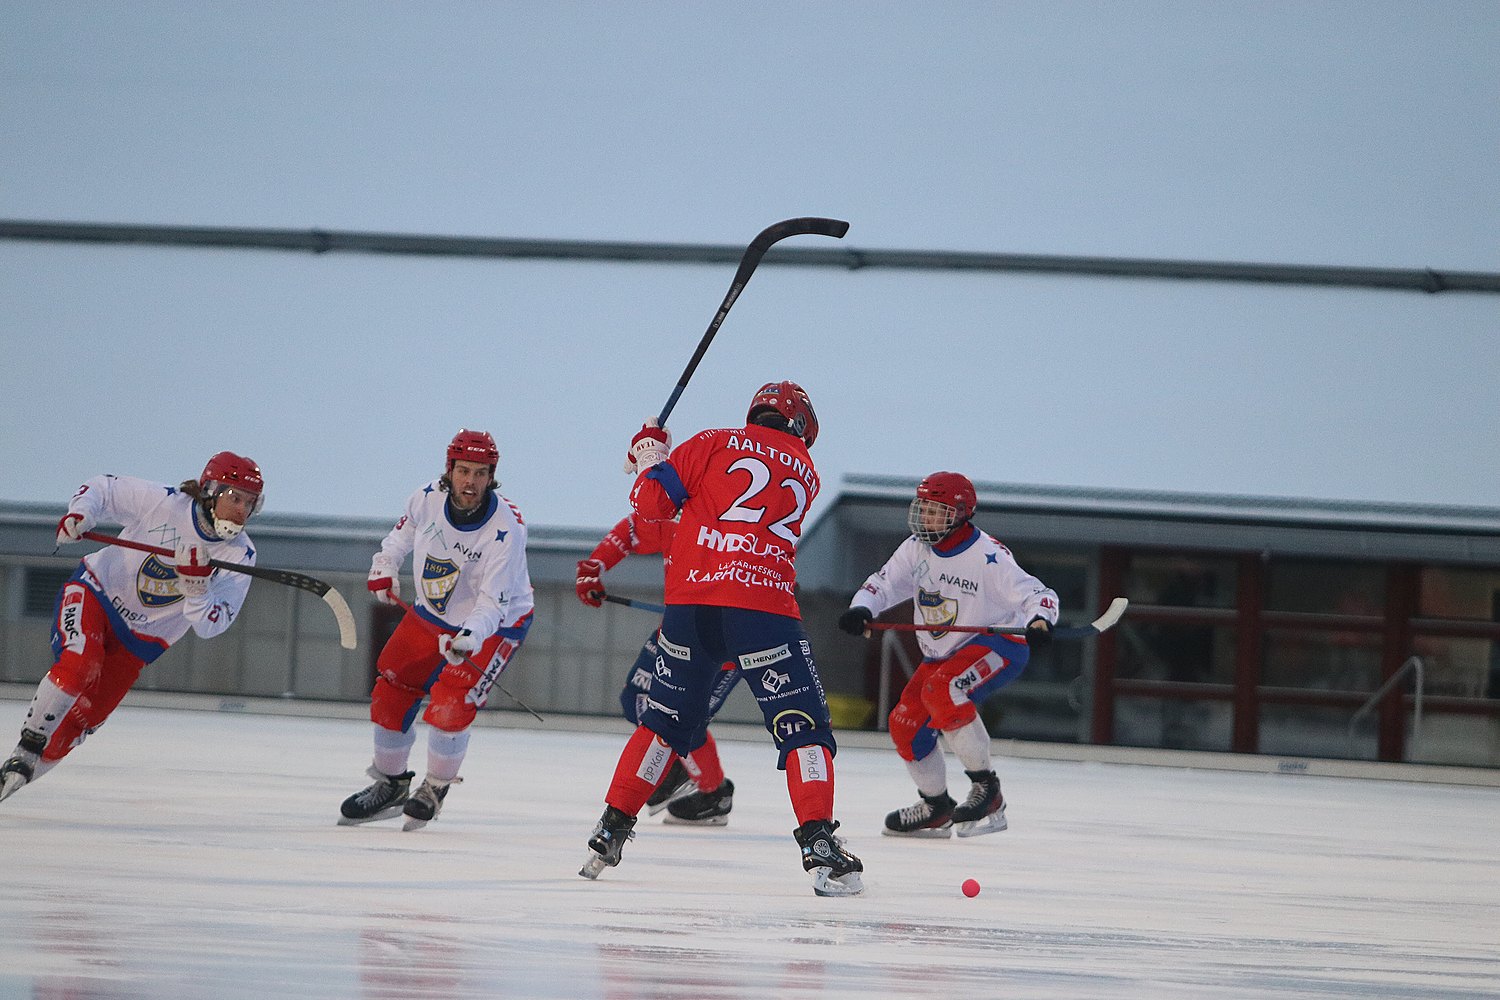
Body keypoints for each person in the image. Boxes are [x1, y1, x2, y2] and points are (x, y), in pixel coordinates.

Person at [579, 381, 864, 897]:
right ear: (801, 427)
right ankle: (819, 843)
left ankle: (612, 826)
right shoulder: (808, 469)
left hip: (690, 608)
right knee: (804, 729)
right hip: (764, 610)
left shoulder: (711, 440)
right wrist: (657, 459)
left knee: (661, 724)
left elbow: (651, 509)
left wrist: (651, 455)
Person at [0, 452, 266, 802]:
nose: (241, 512)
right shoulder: (165, 502)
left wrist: (197, 588)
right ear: (210, 490)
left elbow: (212, 625)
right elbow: (104, 489)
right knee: (80, 663)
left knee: (80, 723)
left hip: (140, 643)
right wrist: (82, 513)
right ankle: (27, 746)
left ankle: (13, 777)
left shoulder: (239, 554)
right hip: (96, 594)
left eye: (250, 503)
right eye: (235, 498)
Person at [837, 472, 1059, 838]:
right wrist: (863, 608)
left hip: (999, 646)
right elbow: (884, 583)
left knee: (942, 691)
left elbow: (1037, 593)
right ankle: (936, 805)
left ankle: (987, 789)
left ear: (960, 514)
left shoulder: (988, 557)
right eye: (923, 508)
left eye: (936, 511)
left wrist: (1040, 619)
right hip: (942, 655)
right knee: (904, 725)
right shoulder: (915, 547)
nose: (926, 517)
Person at [340, 429, 534, 831]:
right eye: (464, 470)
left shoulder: (507, 528)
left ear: (491, 475)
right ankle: (390, 784)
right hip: (432, 614)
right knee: (391, 685)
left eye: (480, 473)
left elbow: (493, 603)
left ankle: (435, 787)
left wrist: (470, 637)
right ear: (449, 470)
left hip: (494, 624)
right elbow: (400, 536)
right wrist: (384, 566)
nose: (470, 482)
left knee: (449, 705)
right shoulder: (426, 496)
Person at [575, 512, 740, 825]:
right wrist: (594, 566)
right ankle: (678, 758)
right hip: (676, 633)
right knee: (634, 699)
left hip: (723, 648)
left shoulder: (733, 515)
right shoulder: (676, 511)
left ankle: (713, 793)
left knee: (685, 720)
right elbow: (632, 529)